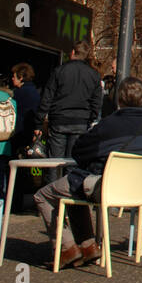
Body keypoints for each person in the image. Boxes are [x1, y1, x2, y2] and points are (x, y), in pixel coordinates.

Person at [32, 76, 142, 269]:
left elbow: (80, 150)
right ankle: (88, 245)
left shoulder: (109, 125)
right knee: (75, 189)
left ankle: (67, 248)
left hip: (105, 187)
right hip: (139, 192)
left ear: (118, 99)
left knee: (44, 195)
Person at [34, 40, 102, 184]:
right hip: (80, 122)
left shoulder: (59, 71)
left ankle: (53, 198)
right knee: (73, 163)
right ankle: (69, 196)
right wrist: (90, 118)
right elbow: (96, 102)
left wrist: (39, 123)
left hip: (59, 120)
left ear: (72, 53)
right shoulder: (93, 75)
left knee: (54, 164)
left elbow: (47, 97)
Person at [9, 63, 41, 160]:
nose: (12, 78)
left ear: (21, 77)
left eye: (14, 76)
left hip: (17, 132)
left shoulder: (17, 93)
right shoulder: (35, 91)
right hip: (29, 132)